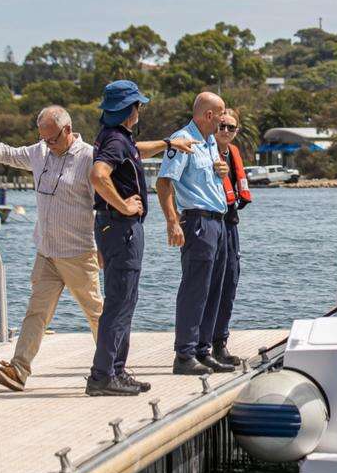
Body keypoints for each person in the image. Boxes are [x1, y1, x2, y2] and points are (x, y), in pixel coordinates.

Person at [0, 106, 102, 391]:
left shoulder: (89, 157)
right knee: (36, 312)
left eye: (52, 139)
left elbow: (101, 205)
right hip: (47, 252)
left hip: (79, 252)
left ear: (68, 130)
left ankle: (111, 366)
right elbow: (10, 154)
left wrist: (102, 247)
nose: (47, 144)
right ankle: (19, 370)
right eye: (43, 139)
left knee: (95, 312)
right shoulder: (39, 152)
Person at [87, 80, 198, 396]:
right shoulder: (115, 142)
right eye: (138, 105)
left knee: (125, 300)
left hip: (117, 229)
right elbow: (98, 175)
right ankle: (102, 376)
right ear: (129, 109)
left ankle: (115, 371)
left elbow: (136, 151)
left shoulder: (118, 139)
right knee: (119, 303)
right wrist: (122, 204)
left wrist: (168, 144)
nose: (140, 110)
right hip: (120, 228)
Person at [156, 92, 234, 376]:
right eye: (221, 113)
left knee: (215, 287)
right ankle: (185, 354)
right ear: (209, 115)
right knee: (195, 288)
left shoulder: (211, 141)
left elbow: (208, 178)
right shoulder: (183, 140)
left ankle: (203, 350)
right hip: (198, 221)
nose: (225, 119)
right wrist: (172, 221)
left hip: (218, 221)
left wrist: (222, 171)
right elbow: (164, 183)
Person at [210, 108, 252, 367]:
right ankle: (200, 345)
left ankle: (219, 342)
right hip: (209, 222)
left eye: (231, 128)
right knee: (210, 283)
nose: (225, 131)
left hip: (230, 223)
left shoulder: (233, 153)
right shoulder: (204, 152)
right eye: (221, 126)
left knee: (229, 281)